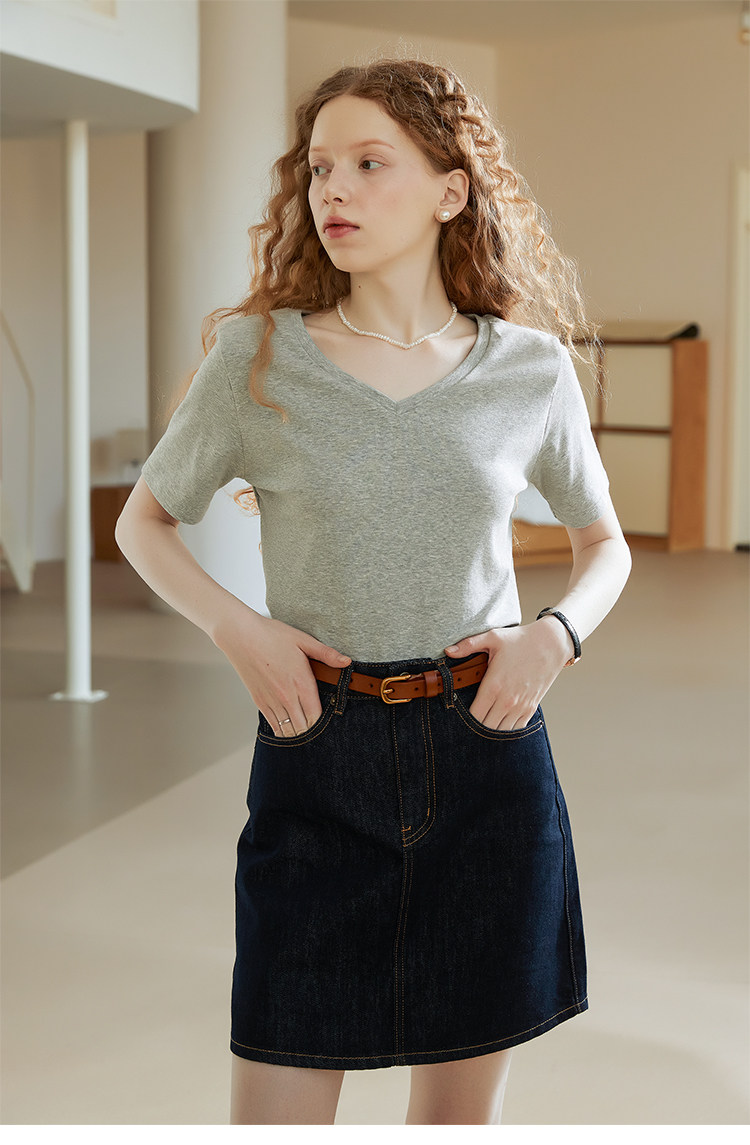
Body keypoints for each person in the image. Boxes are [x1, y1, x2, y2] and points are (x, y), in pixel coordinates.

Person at [115, 58, 632, 1126]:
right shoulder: (256, 358)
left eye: (368, 163)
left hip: (488, 754)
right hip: (318, 753)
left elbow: (604, 545)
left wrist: (554, 635)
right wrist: (242, 630)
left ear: (451, 191)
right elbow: (143, 524)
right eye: (318, 169)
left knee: (454, 1124)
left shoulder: (529, 369)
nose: (333, 190)